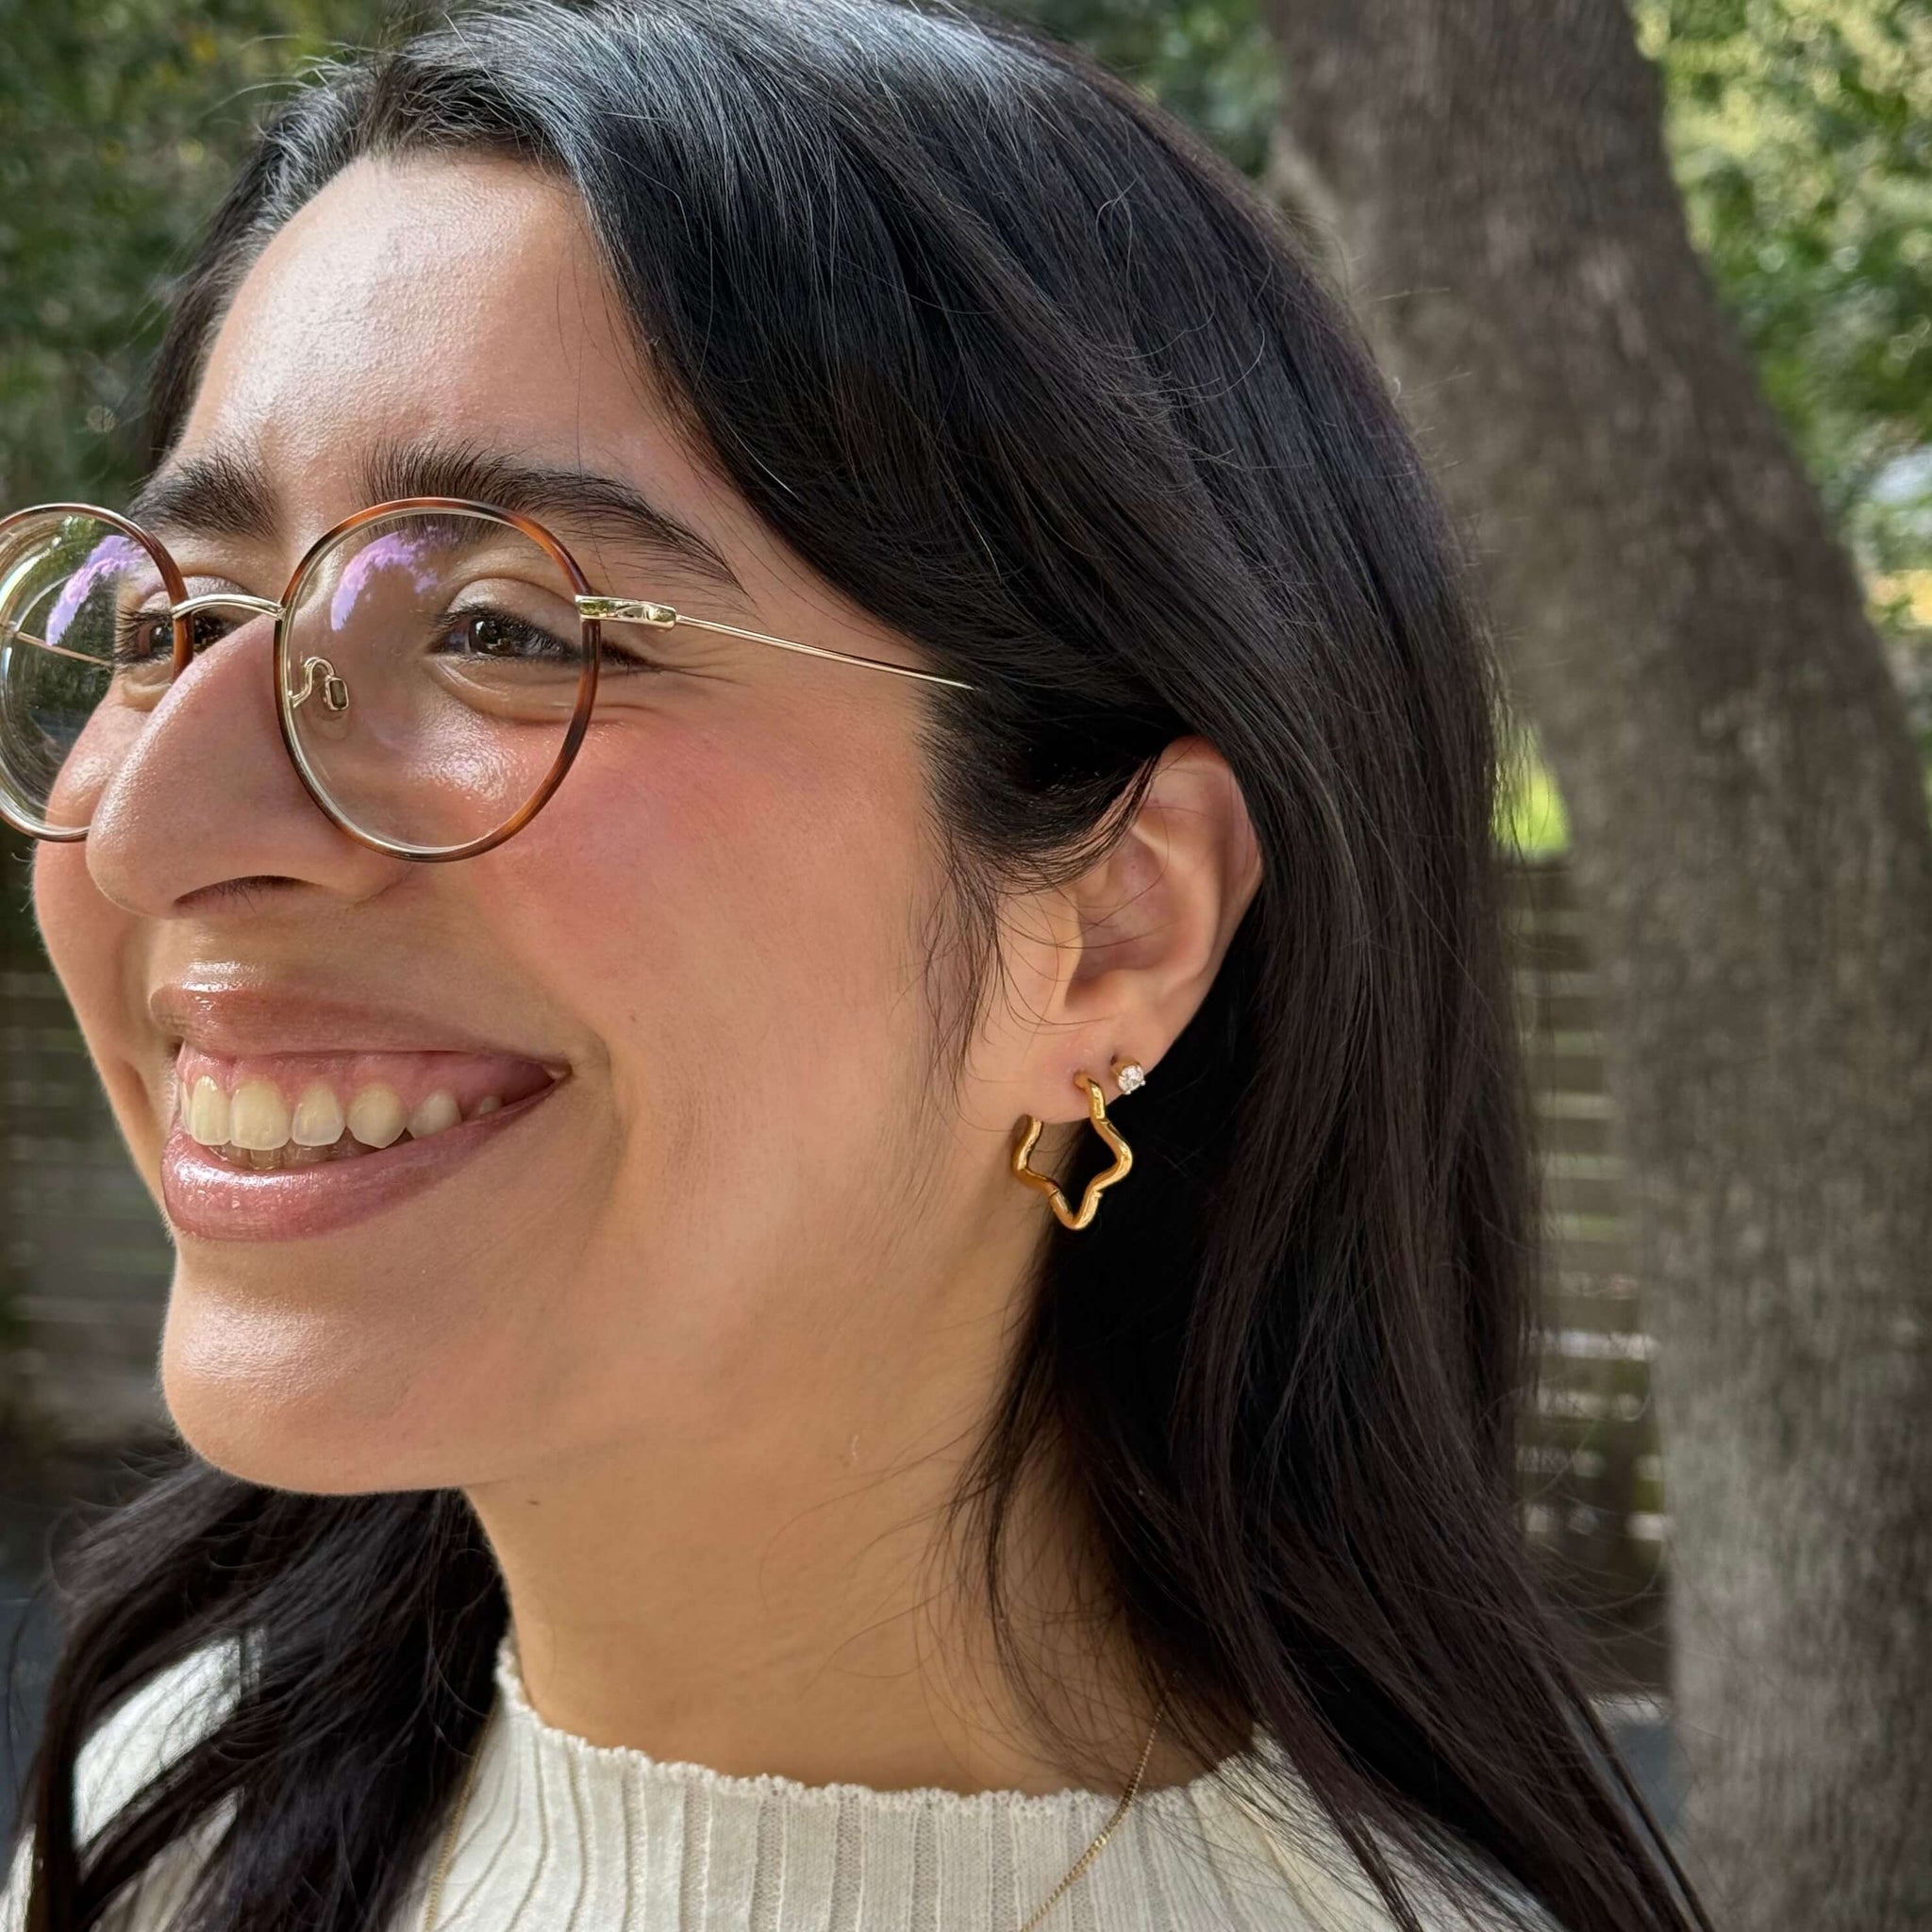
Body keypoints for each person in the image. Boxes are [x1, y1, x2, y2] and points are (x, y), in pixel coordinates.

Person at [0, 3, 1709, 1928]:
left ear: (1115, 928)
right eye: (170, 627)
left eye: (502, 629)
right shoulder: (173, 1812)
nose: (145, 829)